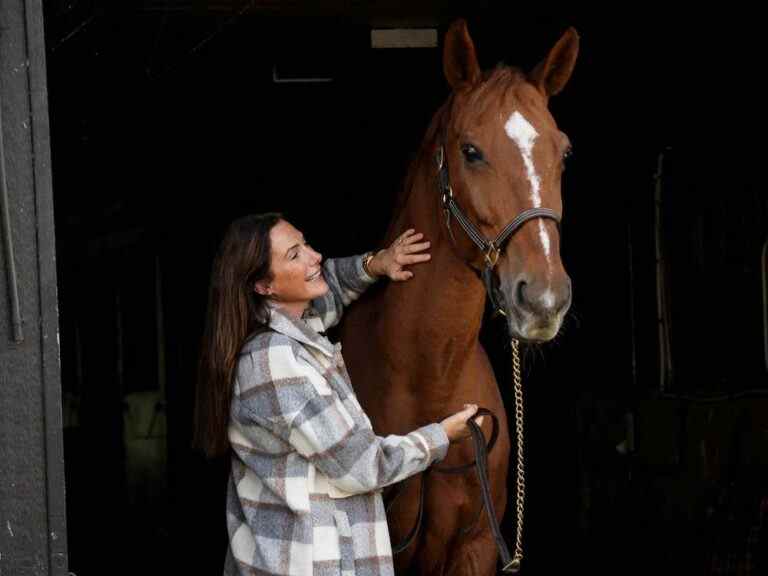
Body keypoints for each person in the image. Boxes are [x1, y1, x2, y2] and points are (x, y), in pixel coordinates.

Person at [194, 213, 483, 576]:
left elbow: (327, 286)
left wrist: (375, 264)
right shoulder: (274, 361)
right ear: (264, 286)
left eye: (307, 244)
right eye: (294, 255)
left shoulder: (292, 329)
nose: (314, 256)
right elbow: (361, 466)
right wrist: (440, 436)